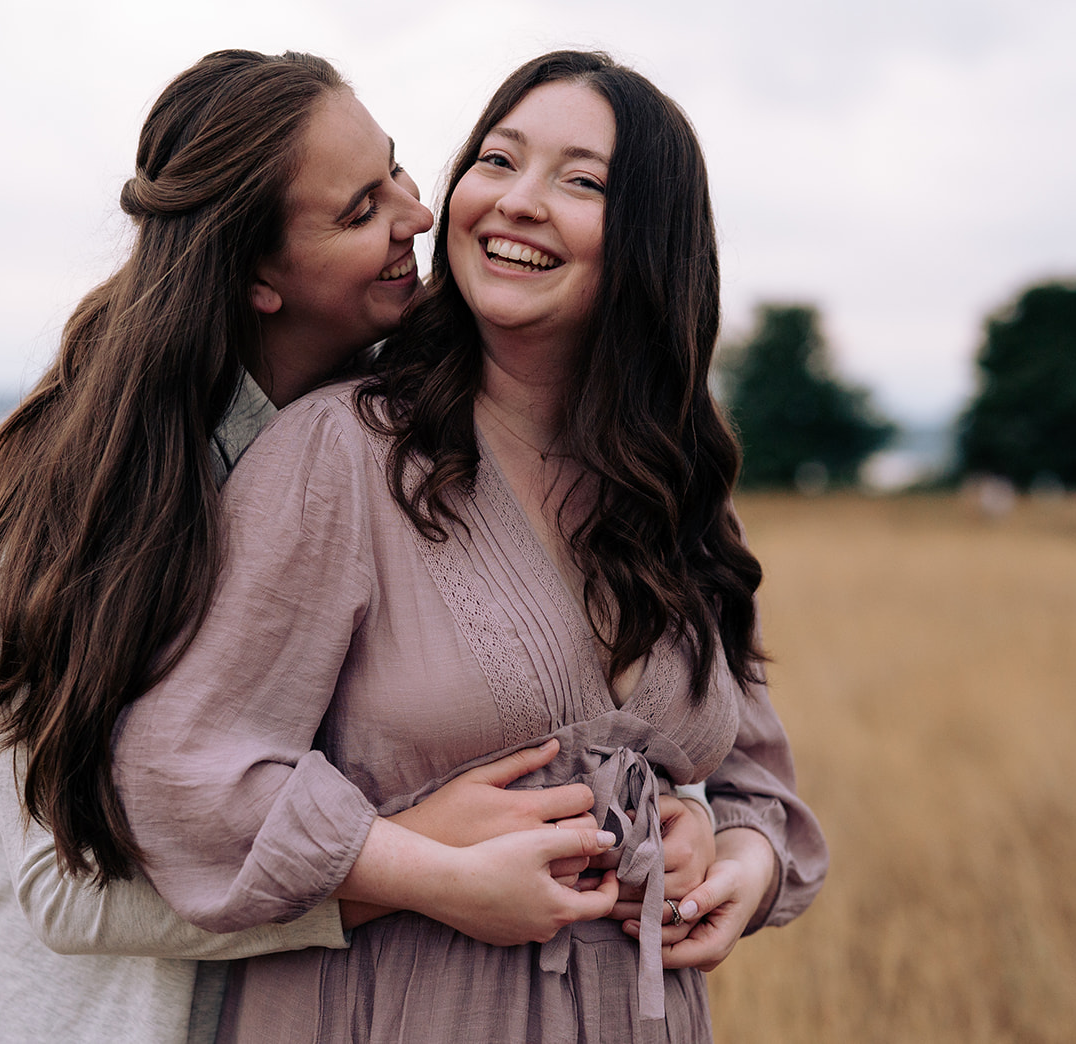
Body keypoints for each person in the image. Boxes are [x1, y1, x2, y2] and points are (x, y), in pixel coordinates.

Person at [0, 49, 717, 1044]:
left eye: (399, 171)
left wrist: (693, 816)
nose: (416, 217)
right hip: (95, 1025)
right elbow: (65, 896)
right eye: (359, 210)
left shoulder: (404, 430)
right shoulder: (104, 505)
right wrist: (414, 865)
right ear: (257, 278)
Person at [114, 51, 828, 1042]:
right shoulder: (346, 453)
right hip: (391, 1012)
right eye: (498, 159)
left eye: (580, 181)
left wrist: (736, 863)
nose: (517, 202)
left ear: (651, 245)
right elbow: (179, 773)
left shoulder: (675, 488)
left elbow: (755, 782)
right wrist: (423, 871)